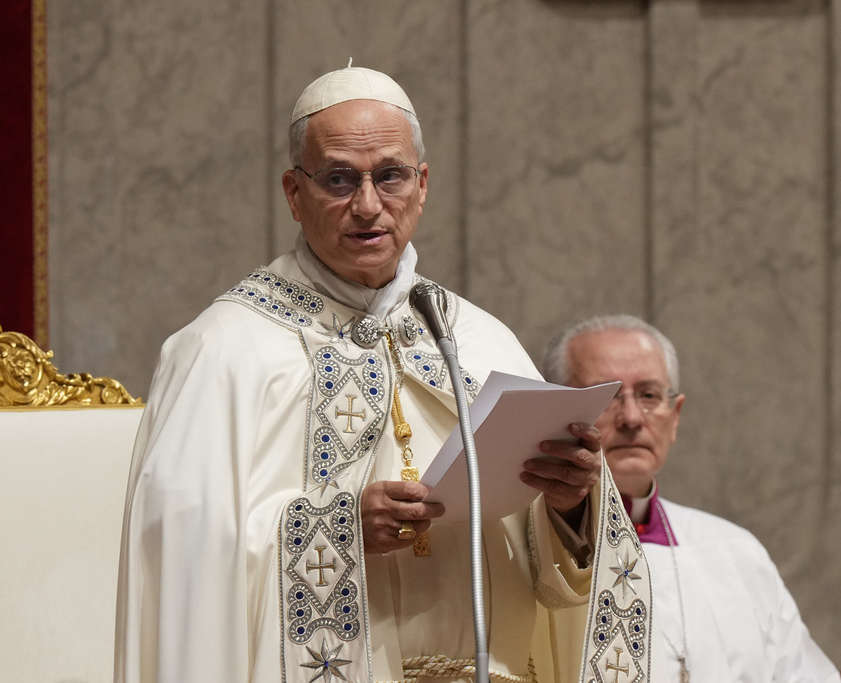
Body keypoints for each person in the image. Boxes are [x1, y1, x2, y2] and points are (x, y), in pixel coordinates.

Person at [114, 65, 663, 683]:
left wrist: (569, 506)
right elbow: (185, 565)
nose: (368, 206)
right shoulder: (222, 351)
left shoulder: (480, 341)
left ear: (423, 185)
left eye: (390, 176)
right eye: (339, 179)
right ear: (295, 194)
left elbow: (548, 577)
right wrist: (338, 530)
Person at [541, 314, 840, 683]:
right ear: (556, 410)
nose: (632, 417)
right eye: (607, 396)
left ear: (675, 416)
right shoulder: (518, 549)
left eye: (649, 395)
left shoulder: (736, 551)